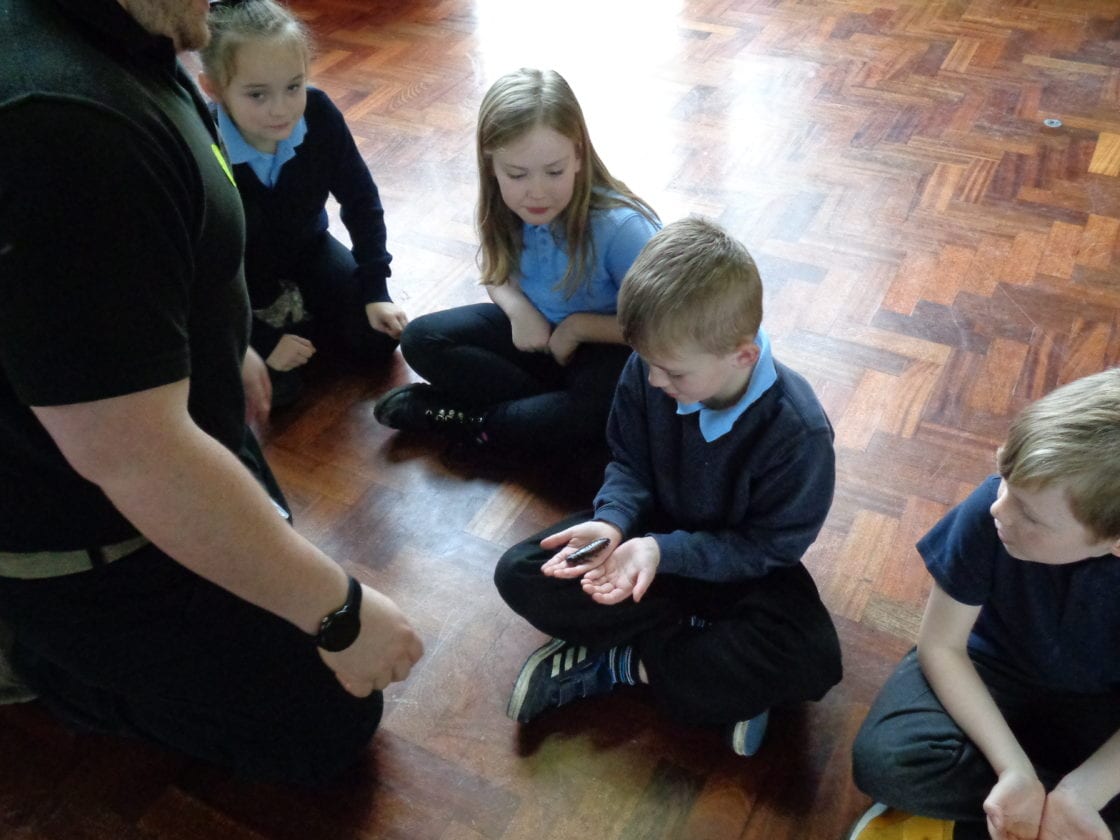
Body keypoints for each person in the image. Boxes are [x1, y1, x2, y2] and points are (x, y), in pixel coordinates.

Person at [0, 0, 422, 786]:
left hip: (172, 441)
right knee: (325, 717)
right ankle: (29, 658)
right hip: (85, 544)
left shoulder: (132, 38)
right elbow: (135, 457)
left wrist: (229, 342)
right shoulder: (61, 126)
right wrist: (340, 611)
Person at [492, 217, 842, 755]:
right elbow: (628, 461)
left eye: (674, 373)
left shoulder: (799, 432)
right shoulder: (650, 368)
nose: (655, 381)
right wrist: (612, 522)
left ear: (743, 356)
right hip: (646, 545)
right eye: (649, 364)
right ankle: (696, 668)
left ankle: (620, 657)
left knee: (812, 658)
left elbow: (769, 548)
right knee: (521, 572)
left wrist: (664, 552)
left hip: (737, 568)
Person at [848, 368, 1120, 840]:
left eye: (1030, 515)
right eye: (1004, 478)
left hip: (1102, 708)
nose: (999, 509)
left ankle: (1005, 814)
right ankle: (1031, 811)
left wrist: (1085, 792)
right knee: (887, 758)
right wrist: (1013, 767)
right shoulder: (990, 512)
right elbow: (941, 646)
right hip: (988, 671)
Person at [373, 67, 660, 456]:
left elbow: (665, 324)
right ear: (491, 165)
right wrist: (518, 309)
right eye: (517, 174)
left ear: (578, 155)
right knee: (421, 339)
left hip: (610, 347)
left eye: (554, 171)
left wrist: (577, 328)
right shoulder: (504, 207)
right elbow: (496, 271)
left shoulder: (622, 228)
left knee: (598, 415)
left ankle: (470, 420)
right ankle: (535, 415)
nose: (537, 192)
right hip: (543, 341)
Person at [198, 0, 406, 409]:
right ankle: (285, 332)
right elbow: (200, 270)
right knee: (277, 392)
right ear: (214, 89)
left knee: (376, 339)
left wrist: (375, 288)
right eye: (257, 94)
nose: (281, 109)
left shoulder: (320, 115)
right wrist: (258, 341)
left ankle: (301, 324)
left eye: (293, 87)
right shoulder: (202, 145)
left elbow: (361, 201)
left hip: (307, 250)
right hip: (238, 283)